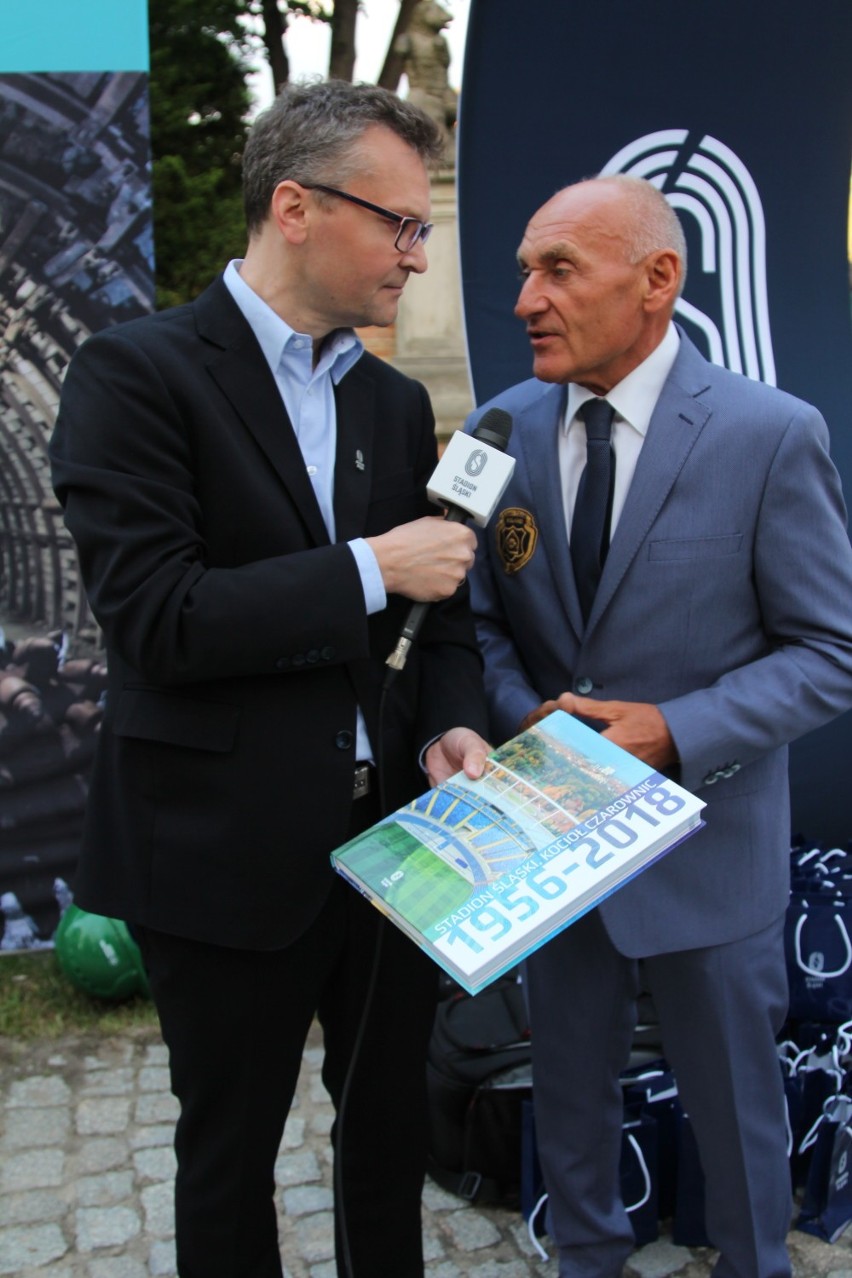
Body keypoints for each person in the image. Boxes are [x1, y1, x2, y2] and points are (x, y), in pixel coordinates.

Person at [49, 80, 491, 1278]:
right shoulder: (133, 376)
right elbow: (157, 619)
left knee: (389, 1133)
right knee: (229, 1154)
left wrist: (450, 726)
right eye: (398, 222)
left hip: (393, 844)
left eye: (421, 226)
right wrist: (365, 565)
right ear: (294, 207)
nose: (418, 250)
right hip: (216, 845)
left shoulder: (393, 403)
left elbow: (435, 614)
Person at [466, 173, 852, 1278]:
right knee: (570, 1106)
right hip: (557, 849)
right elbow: (477, 625)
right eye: (525, 272)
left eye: (559, 271)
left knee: (737, 1118)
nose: (527, 298)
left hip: (709, 852)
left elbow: (833, 653)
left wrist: (671, 732)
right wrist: (519, 721)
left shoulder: (771, 436)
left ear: (658, 281)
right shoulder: (498, 426)